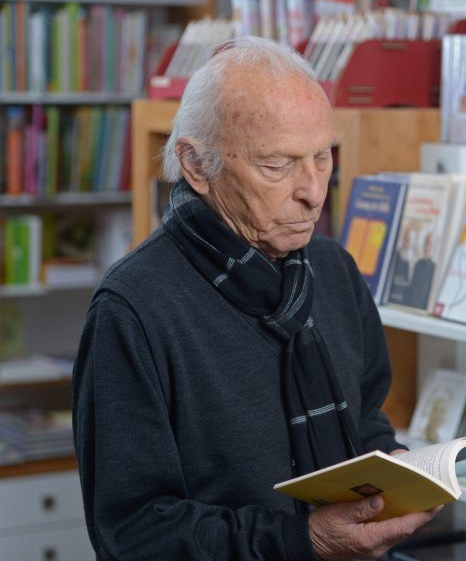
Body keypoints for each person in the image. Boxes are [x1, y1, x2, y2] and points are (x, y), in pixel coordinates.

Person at [72, 36, 439, 560]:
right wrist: (304, 540)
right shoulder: (132, 310)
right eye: (277, 166)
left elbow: (366, 422)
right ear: (197, 166)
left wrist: (398, 473)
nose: (314, 190)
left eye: (322, 157)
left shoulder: (334, 269)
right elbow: (131, 533)